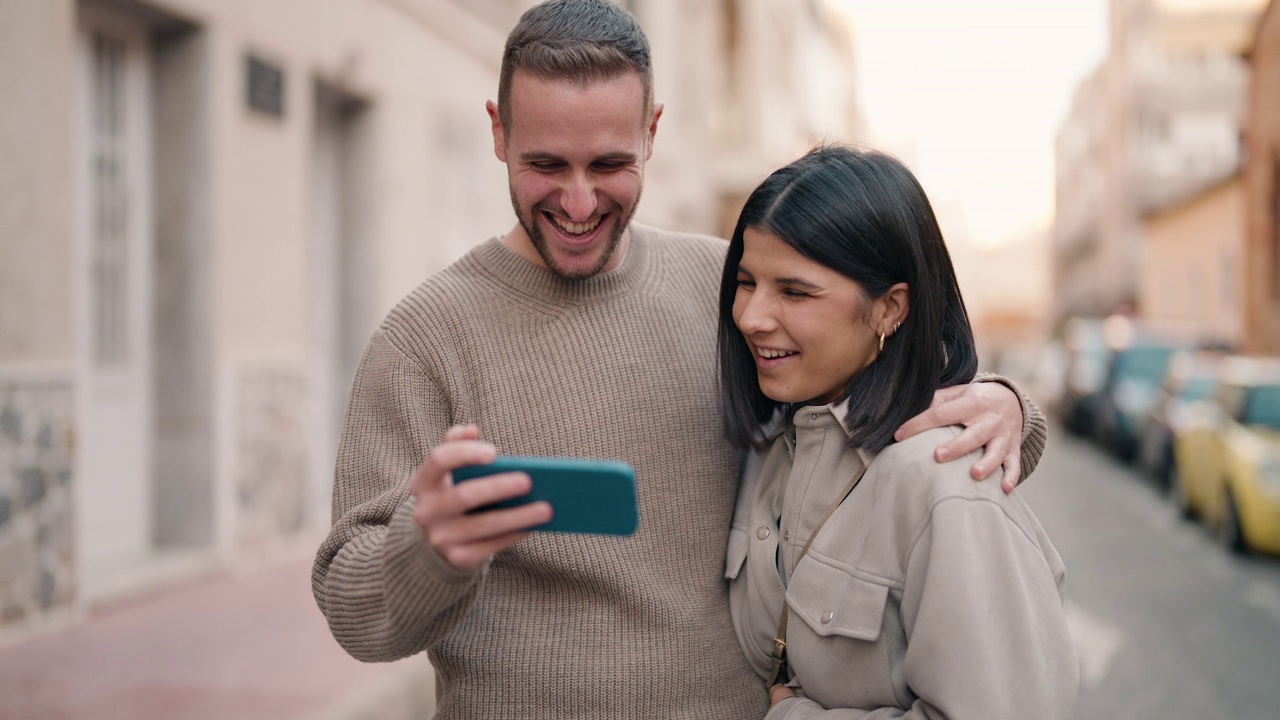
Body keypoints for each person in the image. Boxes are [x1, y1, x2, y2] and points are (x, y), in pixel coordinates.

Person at [311, 1, 1048, 718]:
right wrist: (428, 550)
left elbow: (872, 389)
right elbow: (355, 615)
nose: (576, 201)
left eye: (608, 164)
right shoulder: (423, 337)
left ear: (653, 133)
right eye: (546, 164)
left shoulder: (729, 286)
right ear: (498, 133)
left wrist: (1012, 406)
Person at [722, 145, 1078, 719]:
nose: (751, 316)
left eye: (794, 291)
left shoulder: (947, 485)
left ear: (890, 309)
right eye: (745, 282)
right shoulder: (770, 445)